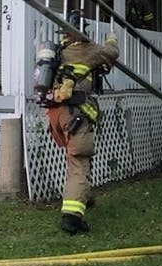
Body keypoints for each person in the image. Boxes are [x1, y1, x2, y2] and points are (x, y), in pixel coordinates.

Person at [47, 15, 119, 234]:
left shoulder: (58, 50)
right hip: (75, 114)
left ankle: (85, 197)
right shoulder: (87, 50)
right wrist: (112, 39)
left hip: (56, 114)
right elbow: (111, 54)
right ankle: (72, 219)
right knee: (79, 163)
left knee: (77, 159)